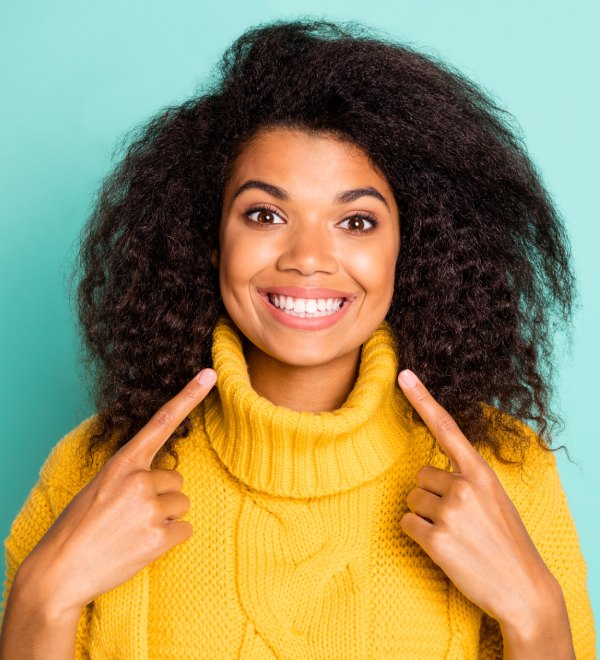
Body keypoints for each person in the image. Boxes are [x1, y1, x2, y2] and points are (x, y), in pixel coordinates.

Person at [0, 18, 596, 659]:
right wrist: (44, 594)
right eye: (265, 214)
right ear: (208, 239)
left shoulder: (504, 474)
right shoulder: (91, 471)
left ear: (412, 251)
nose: (309, 257)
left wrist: (536, 618)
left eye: (357, 220)